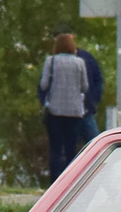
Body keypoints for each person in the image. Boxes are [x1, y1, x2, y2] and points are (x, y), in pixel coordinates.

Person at [39, 33, 90, 182]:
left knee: (55, 149)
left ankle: (54, 182)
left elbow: (44, 85)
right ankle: (71, 182)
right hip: (75, 112)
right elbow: (85, 87)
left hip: (55, 111)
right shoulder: (80, 62)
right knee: (71, 149)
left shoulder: (52, 61)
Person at [76, 44, 105, 143]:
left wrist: (93, 99)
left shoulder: (85, 57)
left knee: (94, 143)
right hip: (70, 112)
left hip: (86, 108)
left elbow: (97, 79)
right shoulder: (55, 60)